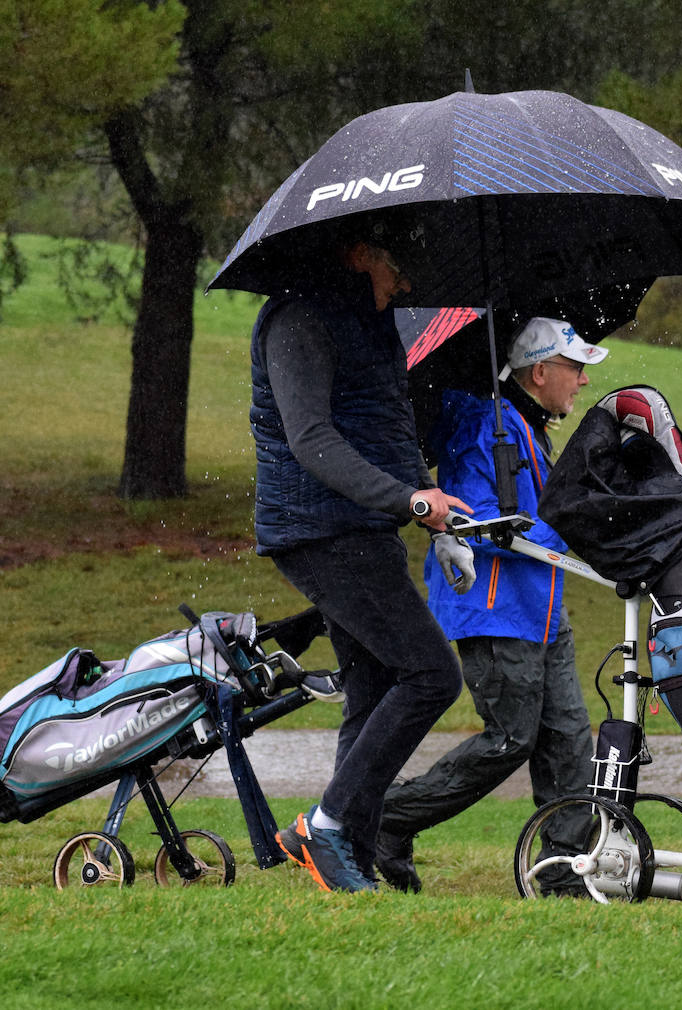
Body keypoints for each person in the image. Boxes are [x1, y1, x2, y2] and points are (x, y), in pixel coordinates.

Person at [250, 225, 475, 893]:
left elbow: (385, 424)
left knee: (375, 687)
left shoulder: (369, 321)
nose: (406, 284)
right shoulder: (298, 320)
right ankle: (327, 825)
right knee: (433, 676)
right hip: (319, 530)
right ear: (357, 256)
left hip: (363, 527)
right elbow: (312, 440)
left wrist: (433, 515)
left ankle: (349, 843)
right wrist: (409, 499)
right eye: (397, 268)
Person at [374, 316, 608, 893]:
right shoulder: (491, 425)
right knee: (511, 739)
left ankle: (562, 872)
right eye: (575, 369)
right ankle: (383, 818)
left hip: (542, 611)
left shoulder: (526, 424)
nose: (581, 382)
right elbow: (479, 522)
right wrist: (575, 524)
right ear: (540, 372)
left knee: (570, 739)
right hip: (497, 610)